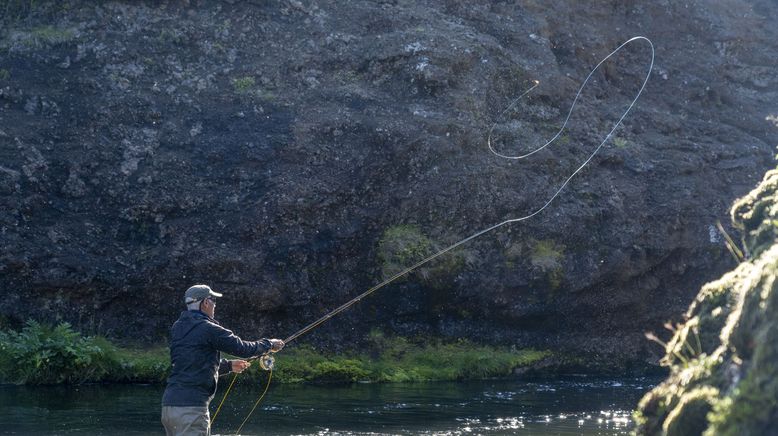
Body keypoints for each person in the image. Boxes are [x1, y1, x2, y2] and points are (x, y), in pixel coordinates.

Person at [161, 284, 284, 436]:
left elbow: (192, 362)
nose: (215, 304)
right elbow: (243, 348)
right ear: (205, 302)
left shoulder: (178, 327)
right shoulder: (208, 328)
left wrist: (228, 366)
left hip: (169, 407)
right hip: (191, 410)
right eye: (213, 300)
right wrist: (270, 344)